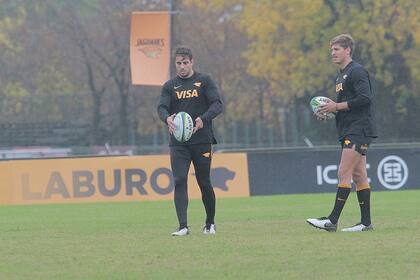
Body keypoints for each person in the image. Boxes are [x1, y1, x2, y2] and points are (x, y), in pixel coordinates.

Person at [306, 34, 377, 232]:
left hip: (359, 129)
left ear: (348, 50)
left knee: (342, 172)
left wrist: (336, 105)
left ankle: (332, 221)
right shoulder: (340, 76)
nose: (333, 53)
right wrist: (329, 112)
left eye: (336, 49)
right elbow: (344, 106)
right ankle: (366, 223)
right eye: (331, 50)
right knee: (359, 175)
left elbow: (365, 99)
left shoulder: (357, 71)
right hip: (349, 128)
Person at [157, 46, 223, 236]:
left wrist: (204, 118)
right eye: (178, 63)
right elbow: (161, 107)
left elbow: (217, 104)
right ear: (175, 63)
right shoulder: (170, 86)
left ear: (192, 61)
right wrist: (166, 118)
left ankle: (210, 223)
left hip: (202, 140)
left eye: (185, 63)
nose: (182, 67)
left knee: (204, 182)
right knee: (179, 180)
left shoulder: (204, 81)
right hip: (179, 143)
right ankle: (183, 226)